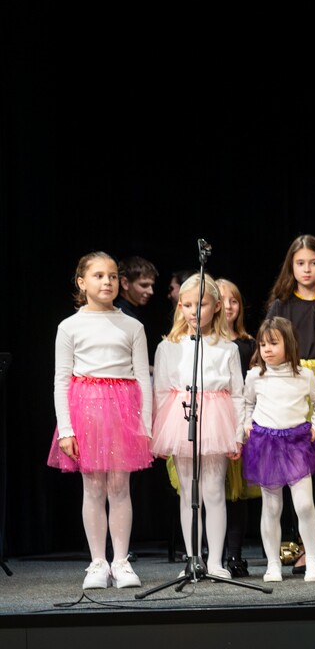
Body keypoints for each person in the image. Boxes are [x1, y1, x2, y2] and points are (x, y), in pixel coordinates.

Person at [47, 252, 153, 590]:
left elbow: (143, 379)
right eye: (98, 276)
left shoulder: (132, 326)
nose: (107, 282)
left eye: (112, 276)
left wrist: (146, 426)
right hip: (87, 411)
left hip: (123, 411)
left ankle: (120, 561)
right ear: (82, 282)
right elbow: (61, 380)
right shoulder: (69, 326)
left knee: (120, 487)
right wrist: (66, 429)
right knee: (93, 487)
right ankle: (97, 562)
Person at [264, 235, 315, 576]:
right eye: (300, 263)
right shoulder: (281, 304)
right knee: (292, 471)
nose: (307, 269)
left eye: (313, 263)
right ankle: (298, 544)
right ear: (291, 266)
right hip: (290, 382)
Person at [151, 274, 244, 579]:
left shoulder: (227, 348)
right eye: (188, 305)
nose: (194, 311)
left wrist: (238, 433)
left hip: (217, 419)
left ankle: (215, 561)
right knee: (189, 494)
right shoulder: (168, 347)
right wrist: (160, 433)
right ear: (180, 307)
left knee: (214, 490)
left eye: (201, 304)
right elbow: (161, 391)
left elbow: (238, 393)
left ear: (216, 307)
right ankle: (193, 559)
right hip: (182, 418)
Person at [240, 316, 315, 582]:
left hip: (297, 444)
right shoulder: (255, 376)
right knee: (271, 506)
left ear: (289, 344)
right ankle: (273, 564)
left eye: (274, 343)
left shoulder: (304, 375)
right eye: (263, 344)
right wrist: (247, 425)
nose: (267, 349)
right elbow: (246, 403)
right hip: (267, 444)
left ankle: (311, 559)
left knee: (304, 504)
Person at [216, 277, 261, 578]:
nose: (229, 307)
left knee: (237, 493)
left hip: (239, 421)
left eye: (234, 301)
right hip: (213, 423)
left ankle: (234, 555)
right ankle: (212, 555)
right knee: (212, 491)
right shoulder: (206, 344)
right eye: (222, 301)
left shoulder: (248, 344)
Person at [116, 256, 157, 324]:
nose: (151, 291)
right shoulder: (120, 316)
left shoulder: (136, 312)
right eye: (144, 285)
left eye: (151, 285)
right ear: (125, 283)